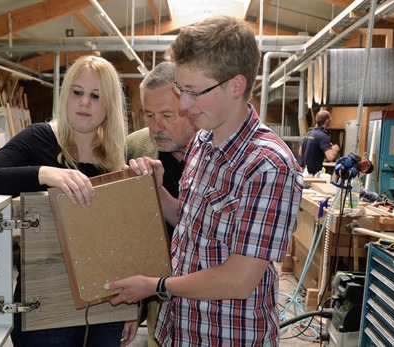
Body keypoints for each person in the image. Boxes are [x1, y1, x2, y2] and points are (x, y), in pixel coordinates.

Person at [105, 16, 303, 346]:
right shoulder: (202, 141)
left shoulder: (267, 165)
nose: (184, 104)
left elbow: (238, 280)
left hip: (227, 334)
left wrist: (156, 286)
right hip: (180, 330)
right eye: (182, 91)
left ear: (236, 86)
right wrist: (157, 190)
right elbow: (189, 220)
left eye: (194, 93)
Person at [0, 55, 138, 347]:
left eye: (96, 96)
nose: (85, 102)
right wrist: (45, 174)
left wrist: (132, 307)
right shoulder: (38, 139)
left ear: (110, 104)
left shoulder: (116, 158)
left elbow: (124, 242)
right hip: (45, 304)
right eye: (78, 92)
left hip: (106, 305)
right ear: (66, 95)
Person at [126, 61, 196, 347]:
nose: (157, 127)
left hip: (205, 287)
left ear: (190, 107)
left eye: (167, 115)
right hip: (153, 286)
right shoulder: (135, 147)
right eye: (149, 115)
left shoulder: (214, 154)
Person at [299, 109, 340, 175]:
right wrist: (335, 149)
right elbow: (330, 157)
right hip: (313, 175)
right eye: (330, 120)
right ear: (327, 121)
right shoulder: (323, 136)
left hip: (302, 172)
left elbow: (300, 152)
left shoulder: (308, 134)